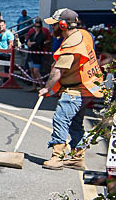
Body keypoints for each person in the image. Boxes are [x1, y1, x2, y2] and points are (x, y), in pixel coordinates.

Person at [39, 9, 103, 170]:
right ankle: (77, 158)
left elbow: (58, 71)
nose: (52, 28)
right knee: (76, 124)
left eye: (54, 25)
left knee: (61, 119)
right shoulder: (84, 35)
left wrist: (46, 89)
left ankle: (57, 157)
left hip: (75, 90)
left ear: (62, 25)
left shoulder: (71, 44)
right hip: (88, 88)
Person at [26, 18, 49, 91]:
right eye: (36, 27)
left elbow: (38, 43)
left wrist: (31, 44)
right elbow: (28, 41)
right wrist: (29, 43)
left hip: (37, 55)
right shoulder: (32, 34)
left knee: (36, 71)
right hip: (31, 55)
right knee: (32, 71)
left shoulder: (42, 35)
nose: (37, 28)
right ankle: (34, 86)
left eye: (38, 27)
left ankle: (41, 86)